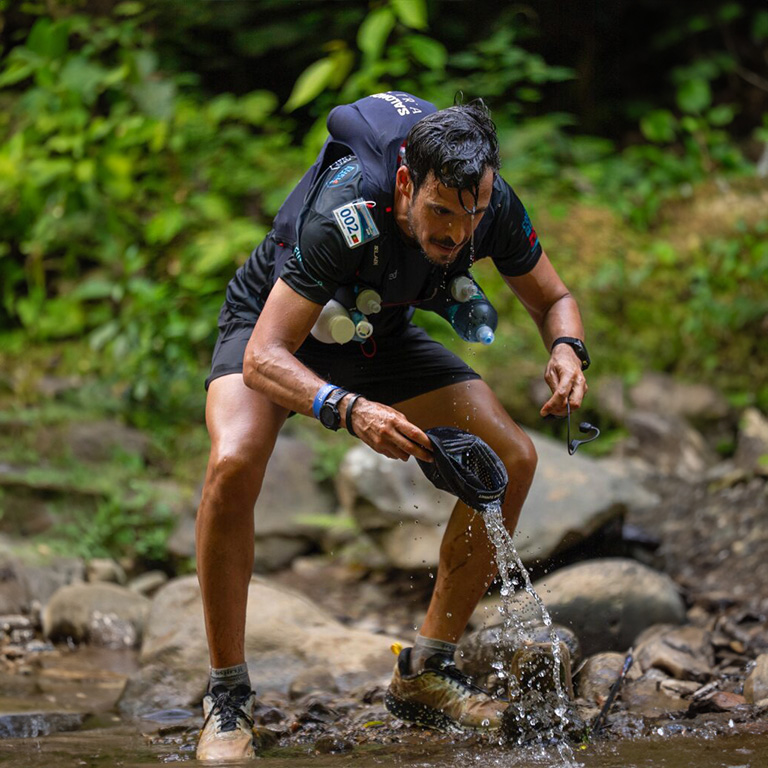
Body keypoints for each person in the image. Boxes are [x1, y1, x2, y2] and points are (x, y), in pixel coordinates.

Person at [195, 91, 589, 761]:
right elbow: (264, 357)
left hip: (375, 335)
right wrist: (348, 409)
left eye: (469, 217)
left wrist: (567, 350)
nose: (456, 235)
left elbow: (554, 298)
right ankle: (227, 696)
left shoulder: (487, 205)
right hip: (275, 330)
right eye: (440, 213)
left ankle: (426, 674)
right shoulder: (346, 212)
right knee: (233, 461)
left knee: (513, 458)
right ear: (406, 185)